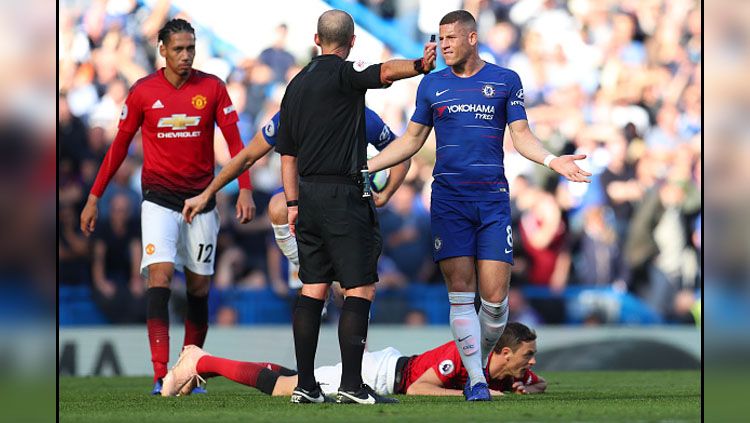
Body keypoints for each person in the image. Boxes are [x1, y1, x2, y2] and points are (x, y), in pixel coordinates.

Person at [367, 10, 590, 401]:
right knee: (460, 290)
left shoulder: (505, 80)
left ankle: (478, 368)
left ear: (472, 38)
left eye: (451, 37)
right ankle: (477, 380)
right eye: (440, 38)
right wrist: (364, 167)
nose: (443, 44)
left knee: (495, 300)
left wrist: (553, 161)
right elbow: (411, 140)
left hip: (492, 201)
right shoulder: (431, 85)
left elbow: (521, 135)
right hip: (449, 200)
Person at [79, 18, 256, 395]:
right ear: (162, 49)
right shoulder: (143, 92)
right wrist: (94, 197)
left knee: (198, 288)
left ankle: (189, 371)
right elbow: (118, 148)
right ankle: (161, 374)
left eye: (191, 48)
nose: (186, 55)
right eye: (178, 48)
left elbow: (236, 143)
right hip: (158, 200)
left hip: (202, 201)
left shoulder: (212, 88)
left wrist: (245, 189)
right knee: (159, 278)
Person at [276, 9, 436, 404]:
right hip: (344, 194)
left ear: (316, 40)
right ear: (351, 44)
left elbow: (287, 156)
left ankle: (306, 385)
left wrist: (293, 202)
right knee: (359, 288)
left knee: (312, 287)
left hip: (307, 196)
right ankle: (352, 384)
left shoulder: (295, 86)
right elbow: (384, 72)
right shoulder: (346, 73)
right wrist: (418, 64)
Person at [183, 107, 410, 292]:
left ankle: (361, 347)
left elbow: (402, 153)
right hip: (303, 203)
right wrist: (208, 193)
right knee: (279, 208)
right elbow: (247, 156)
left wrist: (386, 194)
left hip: (344, 207)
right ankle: (303, 266)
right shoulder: (291, 114)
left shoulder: (361, 115)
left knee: (353, 291)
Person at [160, 322, 546, 398]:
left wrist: (523, 382)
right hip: (379, 375)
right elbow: (417, 388)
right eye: (527, 356)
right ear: (505, 353)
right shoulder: (463, 356)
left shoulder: (496, 369)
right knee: (284, 390)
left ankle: (203, 360)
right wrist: (481, 394)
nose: (531, 362)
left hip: (386, 368)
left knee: (297, 377)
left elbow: (523, 381)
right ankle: (201, 361)